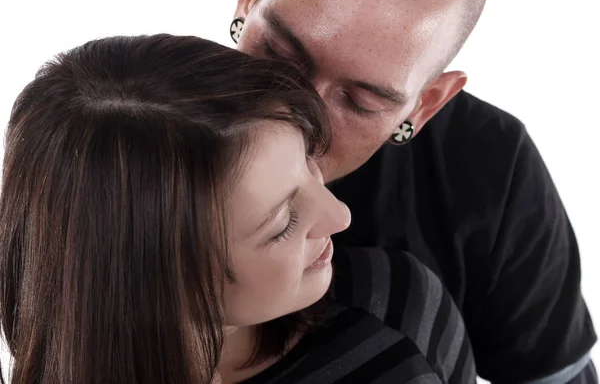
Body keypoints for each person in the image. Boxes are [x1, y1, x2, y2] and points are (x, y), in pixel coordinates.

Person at [0, 34, 476, 383]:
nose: (339, 216)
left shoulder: (399, 315)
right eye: (282, 223)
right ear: (152, 279)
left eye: (309, 163)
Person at [229, 0, 598, 382]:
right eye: (278, 55)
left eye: (359, 102)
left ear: (425, 105)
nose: (300, 119)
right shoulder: (151, 121)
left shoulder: (489, 166)